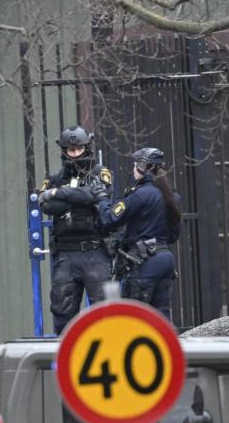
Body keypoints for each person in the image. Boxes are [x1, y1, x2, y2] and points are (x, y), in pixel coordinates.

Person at [36, 125, 114, 334]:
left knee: (104, 315)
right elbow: (46, 206)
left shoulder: (100, 173)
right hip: (66, 255)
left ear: (86, 148)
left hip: (95, 252)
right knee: (63, 313)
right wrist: (80, 196)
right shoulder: (53, 178)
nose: (75, 154)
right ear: (64, 151)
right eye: (71, 150)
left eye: (79, 149)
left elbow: (95, 195)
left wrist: (59, 193)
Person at [96, 147, 181, 320]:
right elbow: (174, 234)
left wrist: (102, 197)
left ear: (143, 167)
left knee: (133, 317)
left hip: (144, 262)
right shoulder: (170, 195)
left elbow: (110, 218)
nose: (133, 169)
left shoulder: (141, 194)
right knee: (161, 318)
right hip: (165, 259)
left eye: (135, 165)